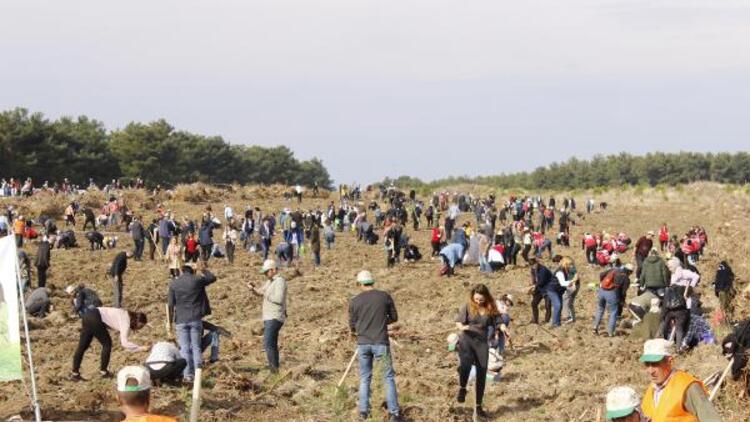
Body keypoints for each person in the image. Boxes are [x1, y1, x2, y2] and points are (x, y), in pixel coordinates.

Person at [348, 270, 401, 422]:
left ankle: (363, 412)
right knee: (388, 377)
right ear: (372, 281)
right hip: (381, 344)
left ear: (359, 284)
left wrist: (362, 327)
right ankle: (394, 413)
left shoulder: (355, 301)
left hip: (363, 345)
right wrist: (382, 322)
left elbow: (352, 326)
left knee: (365, 378)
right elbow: (394, 317)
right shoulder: (384, 296)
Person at [639, 339, 721, 421]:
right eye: (647, 364)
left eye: (655, 364)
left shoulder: (688, 387)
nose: (650, 371)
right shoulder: (652, 390)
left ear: (670, 361)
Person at [454, 284, 500, 418]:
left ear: (486, 297)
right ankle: (462, 388)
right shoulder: (467, 306)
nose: (478, 301)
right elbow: (458, 322)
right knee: (466, 365)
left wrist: (502, 327)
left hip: (481, 343)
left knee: (482, 372)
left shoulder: (490, 307)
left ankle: (479, 406)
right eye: (476, 299)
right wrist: (463, 327)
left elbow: (498, 320)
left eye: (481, 299)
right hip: (467, 339)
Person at [168, 263, 217, 383]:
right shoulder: (197, 280)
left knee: (184, 348)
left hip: (180, 319)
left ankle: (187, 375)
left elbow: (170, 304)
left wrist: (169, 322)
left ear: (181, 270)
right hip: (195, 318)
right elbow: (212, 278)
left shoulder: (174, 283)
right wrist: (203, 269)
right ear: (192, 271)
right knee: (196, 346)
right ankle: (198, 372)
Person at [70, 307, 148, 380]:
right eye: (140, 326)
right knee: (107, 344)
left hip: (88, 314)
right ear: (136, 320)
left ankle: (75, 374)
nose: (139, 328)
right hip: (96, 317)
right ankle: (104, 372)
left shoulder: (124, 314)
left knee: (82, 346)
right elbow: (124, 343)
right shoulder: (126, 321)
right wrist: (140, 348)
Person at [247, 259, 287, 373]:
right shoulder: (270, 281)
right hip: (269, 317)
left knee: (268, 343)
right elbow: (261, 292)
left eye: (266, 272)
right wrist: (253, 289)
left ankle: (274, 370)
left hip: (275, 316)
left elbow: (279, 299)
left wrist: (266, 294)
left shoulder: (279, 281)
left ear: (273, 270)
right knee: (271, 343)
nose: (265, 274)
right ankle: (275, 369)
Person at [593, 264, 634, 337]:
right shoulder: (626, 279)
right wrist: (622, 301)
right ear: (629, 272)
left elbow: (601, 274)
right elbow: (623, 293)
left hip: (602, 291)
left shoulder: (614, 269)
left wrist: (602, 284)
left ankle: (595, 327)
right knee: (613, 313)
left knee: (600, 309)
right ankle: (610, 332)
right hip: (611, 294)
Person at [528, 258, 552, 325]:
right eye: (532, 266)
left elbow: (541, 281)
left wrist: (533, 287)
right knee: (534, 303)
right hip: (539, 289)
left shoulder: (543, 270)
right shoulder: (533, 270)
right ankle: (535, 320)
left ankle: (547, 321)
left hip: (548, 288)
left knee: (547, 305)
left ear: (537, 263)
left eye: (534, 265)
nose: (533, 267)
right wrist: (532, 285)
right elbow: (534, 279)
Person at [556, 256, 580, 324]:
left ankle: (568, 317)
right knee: (567, 300)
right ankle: (570, 317)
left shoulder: (571, 267)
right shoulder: (566, 267)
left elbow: (576, 276)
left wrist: (573, 282)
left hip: (572, 285)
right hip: (571, 285)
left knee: (567, 300)